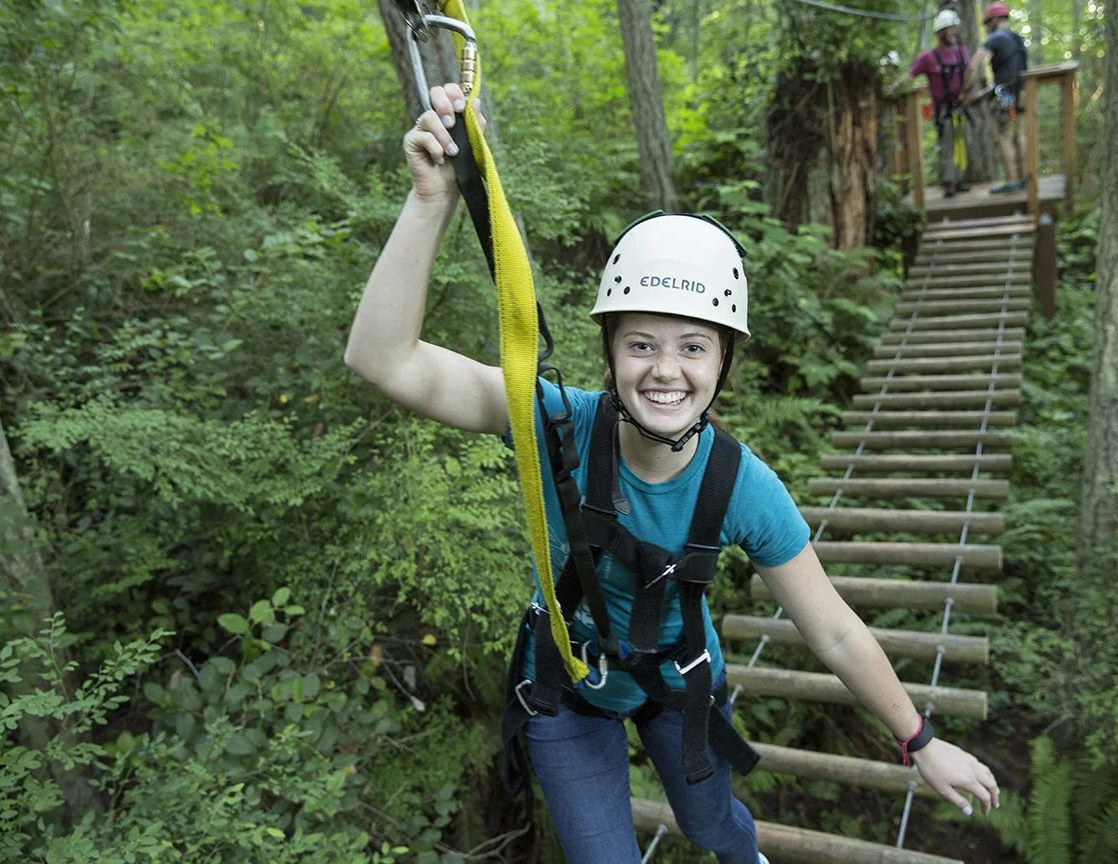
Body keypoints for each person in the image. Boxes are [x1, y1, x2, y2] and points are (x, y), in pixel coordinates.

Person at [345, 82, 1001, 864]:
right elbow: (382, 360)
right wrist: (430, 202)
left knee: (712, 825)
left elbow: (831, 627)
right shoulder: (561, 423)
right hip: (570, 686)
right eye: (641, 344)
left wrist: (918, 739)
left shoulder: (741, 486)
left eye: (692, 346)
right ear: (611, 352)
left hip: (682, 683)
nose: (665, 371)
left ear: (724, 362)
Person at [967, 2, 1030, 194]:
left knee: (1004, 137)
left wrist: (965, 90)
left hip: (1006, 96)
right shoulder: (1017, 39)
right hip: (1023, 93)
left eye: (987, 24)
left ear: (994, 20)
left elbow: (973, 65)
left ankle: (1012, 181)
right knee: (1020, 134)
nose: (986, 28)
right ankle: (1025, 178)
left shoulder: (995, 38)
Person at [910, 9, 972, 198]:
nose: (953, 31)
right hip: (942, 109)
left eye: (954, 28)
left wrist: (965, 92)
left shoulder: (962, 52)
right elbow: (909, 75)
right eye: (949, 28)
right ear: (940, 32)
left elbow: (970, 73)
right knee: (946, 146)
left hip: (962, 107)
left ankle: (960, 180)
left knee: (963, 143)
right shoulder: (928, 57)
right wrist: (891, 88)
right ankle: (948, 182)